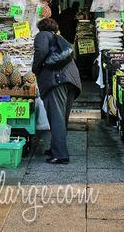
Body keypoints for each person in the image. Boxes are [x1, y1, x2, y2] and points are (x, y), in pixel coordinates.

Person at [32, 17, 81, 164]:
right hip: (71, 80)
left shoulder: (42, 35)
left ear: (41, 27)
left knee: (56, 117)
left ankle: (60, 155)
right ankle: (56, 148)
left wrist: (35, 69)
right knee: (61, 117)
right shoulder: (58, 38)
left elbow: (41, 51)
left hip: (57, 81)